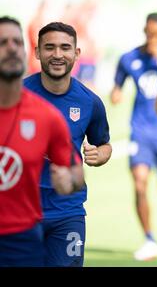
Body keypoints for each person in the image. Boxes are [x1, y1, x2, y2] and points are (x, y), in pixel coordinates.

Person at [24, 22, 112, 267]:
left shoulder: (90, 102)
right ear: (37, 52)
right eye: (49, 47)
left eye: (65, 47)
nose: (57, 54)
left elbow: (104, 144)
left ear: (77, 54)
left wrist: (100, 155)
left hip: (67, 212)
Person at [0, 16, 84, 267]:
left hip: (22, 238)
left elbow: (76, 173)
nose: (12, 47)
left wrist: (68, 182)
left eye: (17, 42)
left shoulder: (46, 116)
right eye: (3, 42)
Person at [110, 12, 157, 261]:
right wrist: (115, 94)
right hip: (140, 132)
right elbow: (116, 89)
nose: (154, 38)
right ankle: (149, 239)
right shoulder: (130, 58)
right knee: (139, 183)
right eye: (151, 34)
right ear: (144, 30)